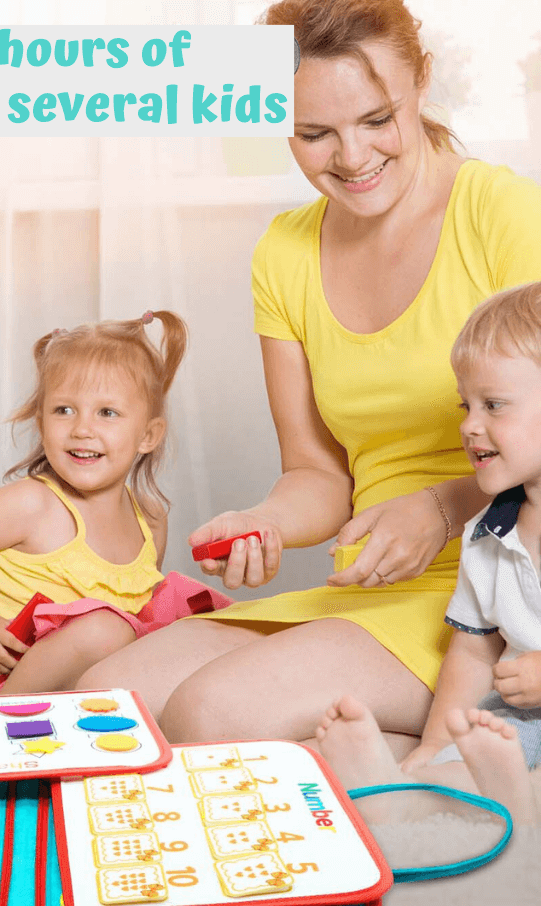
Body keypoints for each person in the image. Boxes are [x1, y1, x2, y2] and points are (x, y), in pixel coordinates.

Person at [78, 0, 541, 754]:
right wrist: (268, 521)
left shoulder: (504, 212)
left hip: (493, 594)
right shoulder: (284, 254)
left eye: (376, 119)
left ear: (421, 82)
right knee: (100, 704)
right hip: (370, 584)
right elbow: (317, 472)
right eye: (314, 133)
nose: (351, 157)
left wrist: (437, 508)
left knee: (212, 712)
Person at [0, 311, 229, 697]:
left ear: (148, 435)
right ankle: (1, 721)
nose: (82, 429)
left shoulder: (150, 520)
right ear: (41, 424)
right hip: (10, 686)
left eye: (107, 413)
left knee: (205, 626)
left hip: (92, 697)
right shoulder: (31, 505)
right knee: (105, 629)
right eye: (64, 410)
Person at [317, 284, 541, 825]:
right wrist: (434, 742)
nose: (468, 425)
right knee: (458, 761)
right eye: (467, 405)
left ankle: (510, 801)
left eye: (494, 405)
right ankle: (404, 786)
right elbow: (473, 653)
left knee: (493, 764)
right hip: (521, 721)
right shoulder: (487, 535)